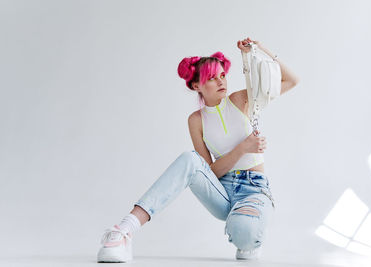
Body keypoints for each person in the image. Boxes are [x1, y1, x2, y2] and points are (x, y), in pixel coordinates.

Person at [97, 37, 300, 262]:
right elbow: (209, 171)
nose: (221, 81)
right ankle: (124, 230)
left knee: (244, 233)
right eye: (212, 78)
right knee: (190, 159)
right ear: (197, 86)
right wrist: (243, 148)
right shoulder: (196, 120)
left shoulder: (241, 99)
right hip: (222, 192)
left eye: (222, 75)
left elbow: (292, 80)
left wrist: (259, 49)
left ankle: (247, 229)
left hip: (253, 188)